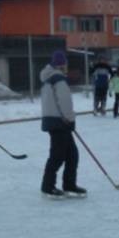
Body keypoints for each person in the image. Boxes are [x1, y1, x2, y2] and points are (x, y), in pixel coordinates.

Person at [39, 50, 86, 199]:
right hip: (60, 121)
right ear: (61, 65)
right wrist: (69, 119)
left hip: (54, 120)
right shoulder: (58, 79)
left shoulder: (48, 79)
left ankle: (69, 185)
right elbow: (65, 101)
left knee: (71, 154)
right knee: (58, 155)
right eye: (64, 64)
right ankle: (48, 187)